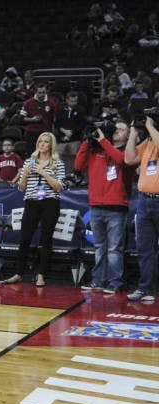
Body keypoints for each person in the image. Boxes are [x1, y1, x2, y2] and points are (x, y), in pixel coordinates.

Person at [3, 132, 66, 287]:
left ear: (51, 145)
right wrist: (24, 174)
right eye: (40, 142)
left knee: (46, 239)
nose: (42, 144)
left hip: (50, 202)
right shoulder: (29, 162)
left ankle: (40, 274)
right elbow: (21, 187)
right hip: (31, 201)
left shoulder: (57, 163)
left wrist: (44, 173)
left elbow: (60, 187)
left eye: (46, 142)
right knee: (24, 239)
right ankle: (19, 273)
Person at [75, 120, 131, 293]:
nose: (117, 131)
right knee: (99, 247)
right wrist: (87, 140)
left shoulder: (126, 151)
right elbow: (78, 165)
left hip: (116, 207)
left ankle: (115, 283)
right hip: (96, 205)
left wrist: (102, 141)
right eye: (116, 128)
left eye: (122, 129)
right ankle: (98, 281)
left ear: (128, 135)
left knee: (114, 249)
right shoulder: (96, 150)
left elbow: (120, 160)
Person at [125, 116, 159, 301]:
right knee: (145, 249)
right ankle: (145, 288)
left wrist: (149, 124)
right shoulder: (148, 142)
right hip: (144, 202)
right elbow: (129, 159)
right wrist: (133, 133)